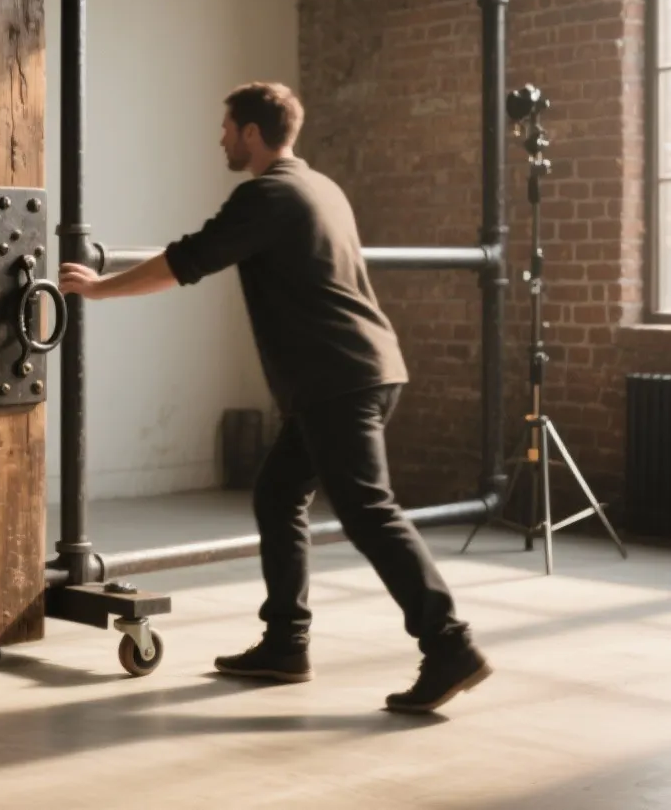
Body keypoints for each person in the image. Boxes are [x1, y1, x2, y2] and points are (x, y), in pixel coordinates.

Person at [58, 81, 492, 714]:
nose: (221, 139)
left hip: (338, 378)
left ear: (253, 134)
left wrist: (98, 290)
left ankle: (450, 645)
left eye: (228, 128)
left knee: (370, 511)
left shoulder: (268, 194)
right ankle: (286, 643)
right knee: (279, 493)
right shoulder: (321, 187)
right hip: (357, 371)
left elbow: (187, 260)